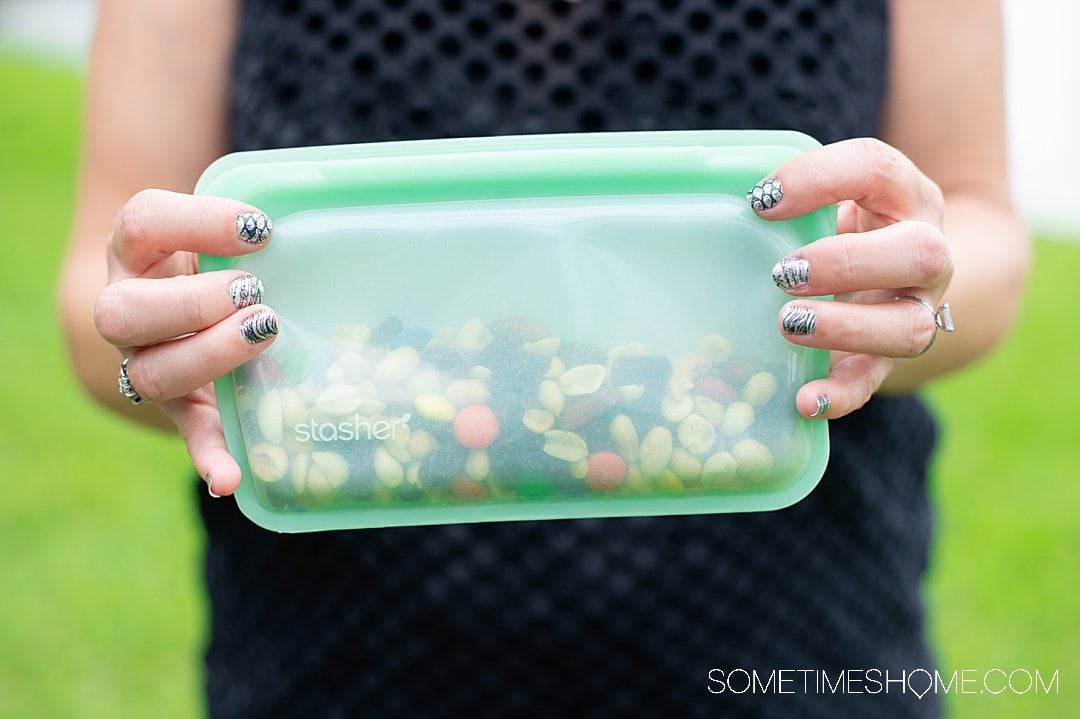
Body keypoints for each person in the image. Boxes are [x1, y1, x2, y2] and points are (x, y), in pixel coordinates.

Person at [61, 0, 1028, 716]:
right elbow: (100, 283)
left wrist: (902, 290)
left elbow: (979, 212)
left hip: (797, 638)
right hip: (341, 648)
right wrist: (168, 332)